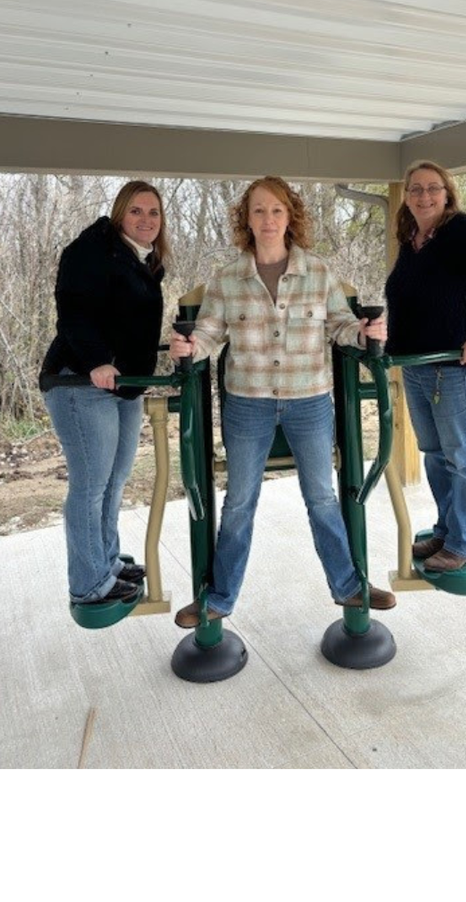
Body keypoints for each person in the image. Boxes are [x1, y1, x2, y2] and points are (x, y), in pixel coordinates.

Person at [167, 176, 392, 628]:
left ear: (290, 216)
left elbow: (341, 327)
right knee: (238, 504)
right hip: (247, 403)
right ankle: (220, 598)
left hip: (308, 401)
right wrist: (189, 348)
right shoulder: (227, 278)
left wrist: (366, 334)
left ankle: (348, 586)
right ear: (245, 219)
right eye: (258, 210)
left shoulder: (319, 271)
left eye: (276, 210)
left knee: (322, 498)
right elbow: (210, 332)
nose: (267, 219)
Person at [41, 181, 169, 609]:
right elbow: (73, 308)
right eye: (136, 211)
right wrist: (97, 359)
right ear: (119, 214)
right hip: (81, 382)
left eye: (153, 213)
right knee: (91, 486)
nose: (145, 220)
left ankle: (108, 563)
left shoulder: (143, 261)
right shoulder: (92, 249)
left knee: (114, 483)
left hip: (123, 388)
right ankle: (89, 583)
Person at [384, 160, 466, 573]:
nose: (424, 196)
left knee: (461, 457)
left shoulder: (461, 230)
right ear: (406, 197)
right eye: (416, 189)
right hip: (416, 366)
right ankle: (445, 530)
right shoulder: (411, 239)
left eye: (433, 188)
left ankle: (465, 543)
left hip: (454, 367)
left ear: (447, 193)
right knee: (435, 454)